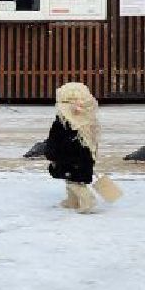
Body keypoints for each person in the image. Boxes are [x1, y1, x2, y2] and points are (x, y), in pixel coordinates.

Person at [44, 81, 105, 213]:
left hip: (69, 159)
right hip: (81, 158)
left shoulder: (63, 123)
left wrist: (51, 153)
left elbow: (55, 140)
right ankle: (73, 201)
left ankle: (87, 201)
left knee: (74, 182)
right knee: (71, 180)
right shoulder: (86, 122)